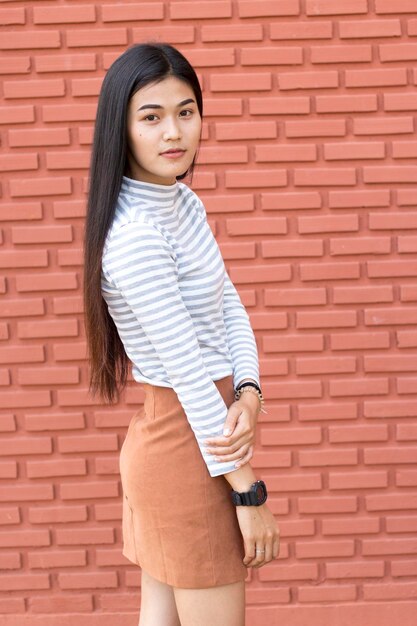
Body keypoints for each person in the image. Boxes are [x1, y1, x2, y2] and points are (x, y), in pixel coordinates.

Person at [83, 42, 280, 626]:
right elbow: (187, 371)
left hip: (198, 437)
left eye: (186, 111)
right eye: (152, 117)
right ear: (121, 127)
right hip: (185, 448)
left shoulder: (183, 204)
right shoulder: (136, 233)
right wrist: (249, 493)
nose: (174, 131)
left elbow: (230, 307)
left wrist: (249, 390)